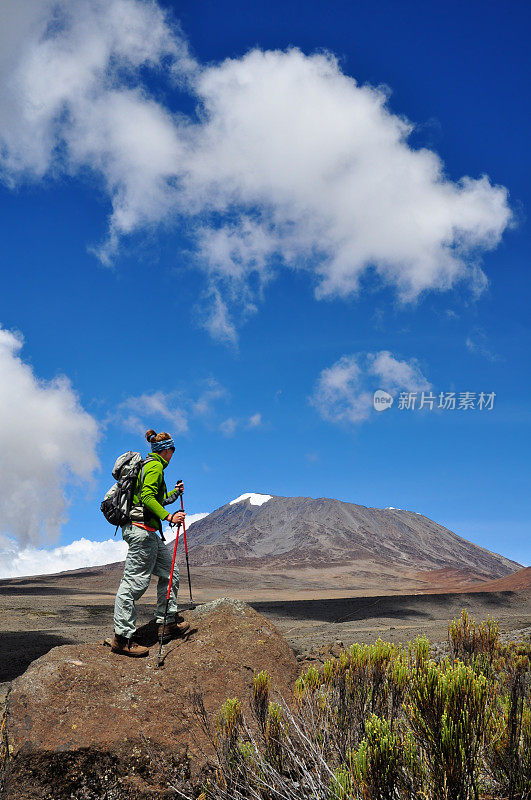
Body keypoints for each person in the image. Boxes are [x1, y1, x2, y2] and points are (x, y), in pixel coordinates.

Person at [111, 429, 190, 657]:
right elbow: (146, 498)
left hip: (149, 533)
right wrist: (169, 517)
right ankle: (122, 638)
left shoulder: (153, 466)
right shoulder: (154, 466)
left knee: (169, 572)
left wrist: (174, 495)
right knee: (134, 583)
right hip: (141, 531)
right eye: (172, 451)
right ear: (167, 451)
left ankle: (166, 623)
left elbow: (155, 499)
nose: (173, 455)